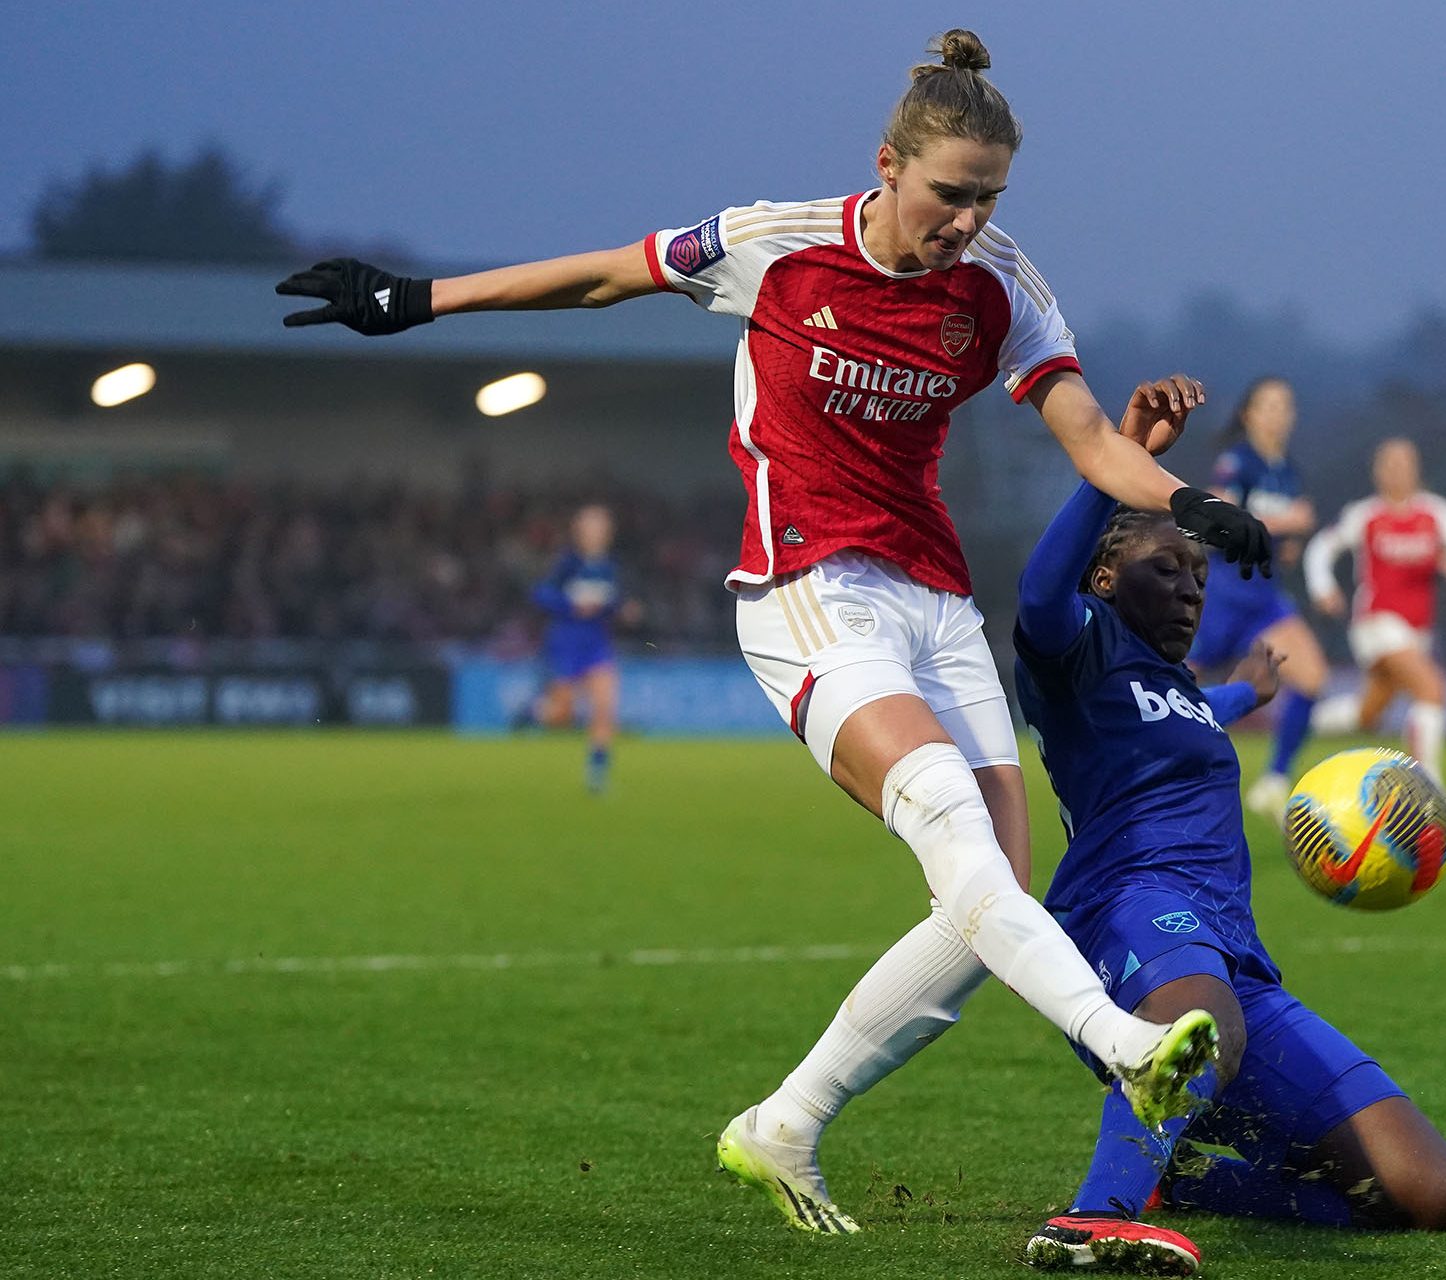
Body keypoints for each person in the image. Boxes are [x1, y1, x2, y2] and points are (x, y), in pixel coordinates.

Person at [275, 30, 1271, 1236]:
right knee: (952, 826)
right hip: (808, 583)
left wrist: (1192, 501)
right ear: (888, 165)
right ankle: (1126, 1042)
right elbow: (607, 272)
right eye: (950, 192)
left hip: (934, 597)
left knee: (998, 896)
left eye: (988, 197)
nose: (966, 219)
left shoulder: (1003, 282)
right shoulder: (777, 242)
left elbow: (1088, 435)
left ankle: (785, 1122)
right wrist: (419, 299)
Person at [1014, 389, 1446, 1273]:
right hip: (1129, 913)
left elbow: (1197, 711)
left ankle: (1184, 1178)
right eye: (1164, 569)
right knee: (1199, 1022)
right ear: (1106, 580)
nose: (1188, 587)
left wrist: (1248, 693)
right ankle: (1095, 1216)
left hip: (1235, 958)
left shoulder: (1183, 691)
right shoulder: (1079, 654)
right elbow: (1040, 591)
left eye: (1198, 575)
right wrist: (1111, 465)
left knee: (1428, 1196)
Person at [1303, 439, 1446, 805]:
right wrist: (1322, 587)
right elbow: (1321, 547)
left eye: (1405, 462)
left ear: (1417, 469)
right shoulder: (1364, 514)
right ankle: (1428, 789)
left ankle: (1304, 718)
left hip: (1418, 629)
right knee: (1431, 689)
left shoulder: (1437, 512)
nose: (1398, 470)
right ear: (1377, 471)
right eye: (1390, 463)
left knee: (1369, 714)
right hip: (1375, 623)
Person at [1187, 377, 1329, 828]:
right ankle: (1154, 775)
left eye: (1285, 405)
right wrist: (1288, 521)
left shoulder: (1288, 469)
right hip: (1224, 592)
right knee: (1177, 690)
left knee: (1311, 677)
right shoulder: (1237, 461)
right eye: (1267, 405)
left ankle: (1274, 780)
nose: (1278, 414)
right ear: (1248, 414)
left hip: (1264, 596)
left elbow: (1281, 542)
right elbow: (1218, 521)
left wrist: (1290, 543)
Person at [525, 504, 639, 792]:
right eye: (591, 526)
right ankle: (532, 714)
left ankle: (597, 774)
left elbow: (611, 601)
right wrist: (571, 606)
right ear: (580, 531)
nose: (597, 532)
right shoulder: (567, 563)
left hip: (598, 643)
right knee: (561, 716)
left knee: (604, 708)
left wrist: (622, 609)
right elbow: (540, 593)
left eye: (601, 527)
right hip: (566, 641)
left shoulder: (610, 566)